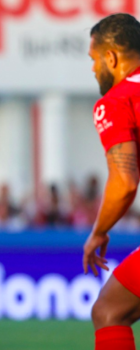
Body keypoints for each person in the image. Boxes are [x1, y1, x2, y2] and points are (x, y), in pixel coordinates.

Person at [83, 13, 140, 350]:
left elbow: (125, 181)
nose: (92, 70)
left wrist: (99, 231)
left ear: (111, 57)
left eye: (93, 59)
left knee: (109, 311)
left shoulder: (116, 102)